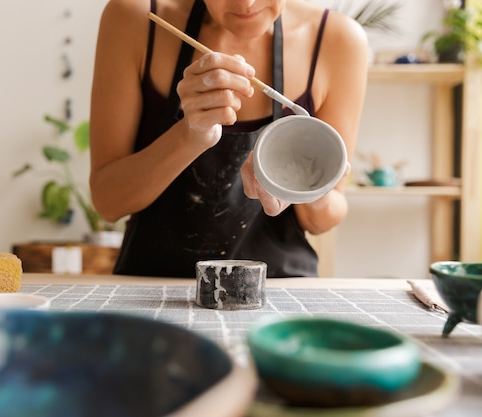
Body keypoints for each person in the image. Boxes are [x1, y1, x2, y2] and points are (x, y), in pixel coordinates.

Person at [89, 0, 368, 278]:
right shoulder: (136, 19)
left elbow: (323, 219)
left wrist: (310, 187)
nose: (246, 3)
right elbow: (108, 203)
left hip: (279, 290)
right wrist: (191, 135)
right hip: (151, 288)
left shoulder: (338, 39)